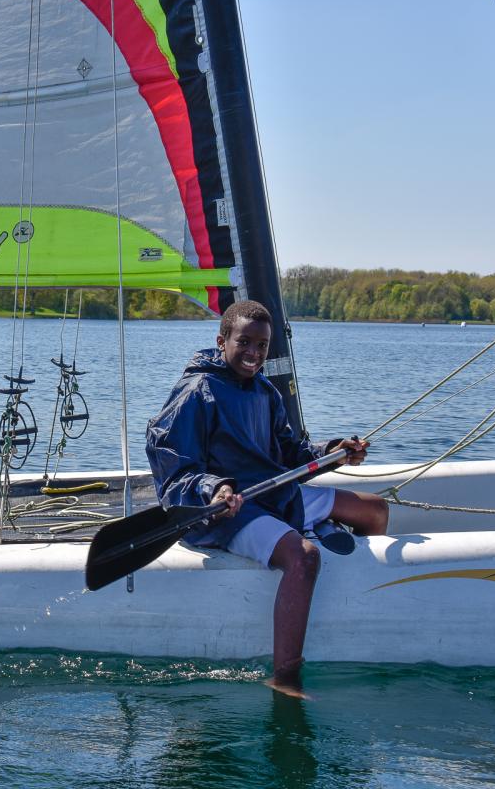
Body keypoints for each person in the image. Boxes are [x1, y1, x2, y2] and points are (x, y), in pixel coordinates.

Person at [145, 299, 388, 698]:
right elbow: (174, 472)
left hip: (272, 494)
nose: (254, 353)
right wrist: (215, 489)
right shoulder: (196, 393)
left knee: (374, 510)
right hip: (226, 513)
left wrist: (332, 451)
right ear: (221, 341)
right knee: (304, 557)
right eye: (244, 342)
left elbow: (290, 452)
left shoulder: (265, 391)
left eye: (262, 345)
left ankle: (366, 614)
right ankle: (285, 679)